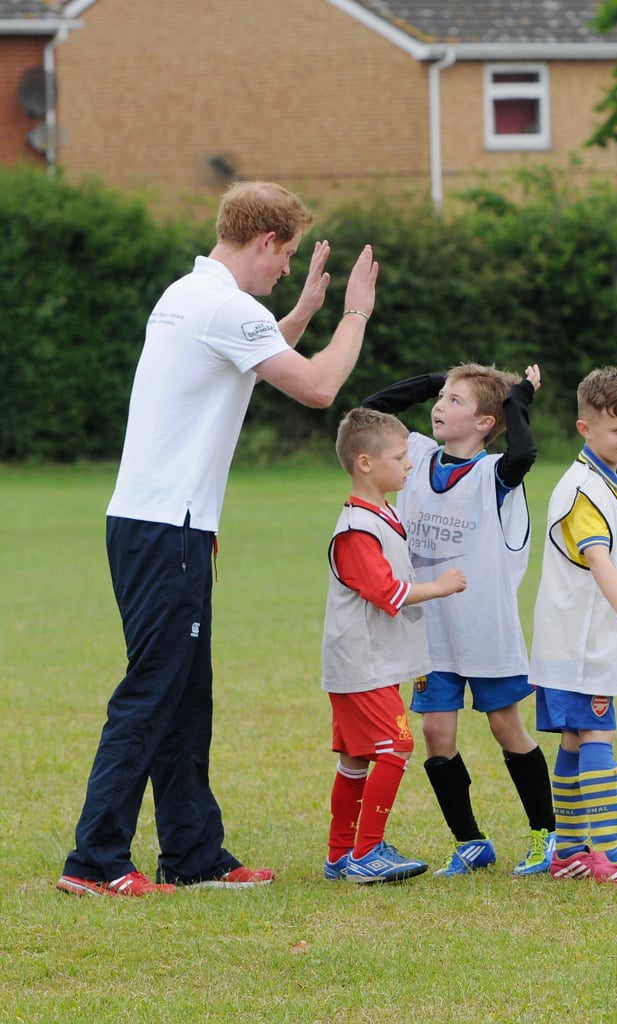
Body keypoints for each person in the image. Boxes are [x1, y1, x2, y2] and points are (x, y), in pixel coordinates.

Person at [57, 180, 378, 897]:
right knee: (152, 691)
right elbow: (319, 386)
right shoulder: (225, 308)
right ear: (264, 242)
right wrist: (355, 313)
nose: (287, 269)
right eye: (286, 256)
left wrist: (299, 315)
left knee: (184, 693)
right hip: (164, 528)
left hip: (163, 526)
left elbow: (255, 356)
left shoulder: (189, 296)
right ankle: (94, 860)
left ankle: (194, 852)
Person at [362, 363, 556, 877]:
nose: (439, 407)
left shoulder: (494, 472)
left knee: (504, 727)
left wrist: (517, 400)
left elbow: (524, 454)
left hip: (484, 626)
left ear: (486, 423)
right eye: (439, 399)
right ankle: (471, 842)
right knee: (435, 737)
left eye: (454, 402)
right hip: (430, 625)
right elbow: (372, 411)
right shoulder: (420, 453)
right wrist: (435, 380)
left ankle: (546, 835)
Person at [530, 366, 617, 882]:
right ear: (585, 430)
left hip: (576, 640)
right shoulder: (583, 489)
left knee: (573, 738)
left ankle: (568, 851)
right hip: (581, 641)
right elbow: (599, 561)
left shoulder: (613, 479)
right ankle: (609, 855)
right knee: (597, 734)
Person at [322, 407, 467, 883]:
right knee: (397, 744)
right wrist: (441, 586)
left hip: (371, 663)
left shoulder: (381, 513)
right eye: (401, 457)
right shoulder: (356, 530)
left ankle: (340, 855)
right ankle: (366, 853)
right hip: (363, 665)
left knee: (354, 758)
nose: (409, 464)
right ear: (366, 463)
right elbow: (389, 594)